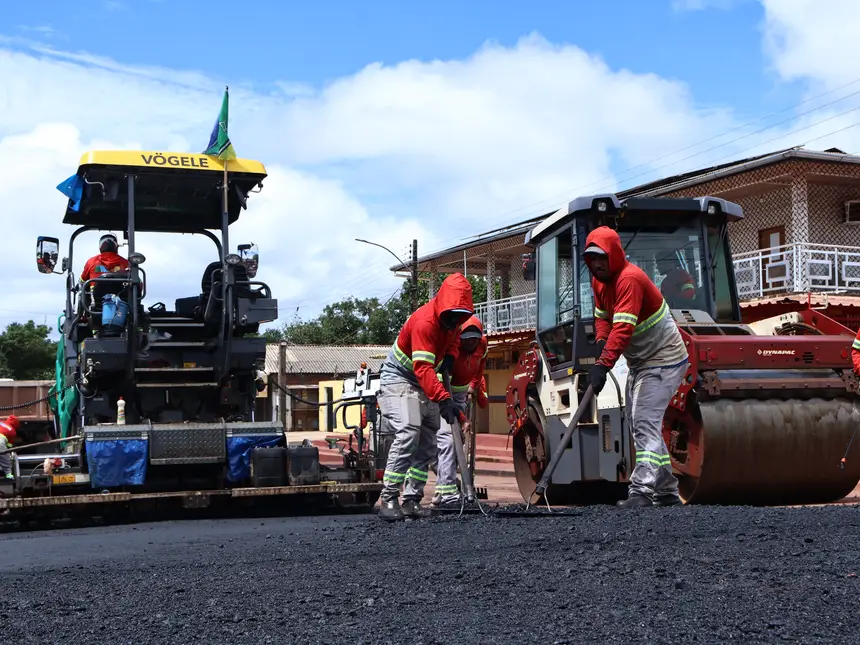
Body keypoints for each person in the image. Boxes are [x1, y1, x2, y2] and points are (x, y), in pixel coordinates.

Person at [583, 226, 689, 509]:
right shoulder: (598, 282)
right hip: (641, 362)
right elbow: (603, 319)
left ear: (615, 256)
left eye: (602, 258)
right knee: (641, 423)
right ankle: (667, 491)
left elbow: (624, 329)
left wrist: (603, 365)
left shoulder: (629, 279)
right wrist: (600, 347)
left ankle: (641, 491)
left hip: (664, 359)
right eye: (592, 259)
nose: (597, 264)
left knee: (644, 422)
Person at [377, 273, 474, 521]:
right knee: (409, 429)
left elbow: (451, 342)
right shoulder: (425, 322)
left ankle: (411, 499)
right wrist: (444, 400)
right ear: (443, 305)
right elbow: (422, 368)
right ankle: (389, 498)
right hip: (399, 378)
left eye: (460, 318)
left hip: (423, 380)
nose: (456, 322)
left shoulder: (455, 319)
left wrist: (451, 356)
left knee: (429, 437)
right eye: (453, 317)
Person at [431, 316, 489, 511]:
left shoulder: (482, 345)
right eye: (467, 339)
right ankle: (448, 492)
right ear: (459, 337)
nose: (471, 342)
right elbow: (436, 377)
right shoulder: (450, 347)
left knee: (459, 444)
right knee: (448, 440)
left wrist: (474, 386)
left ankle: (442, 489)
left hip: (461, 395)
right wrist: (445, 400)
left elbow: (480, 367)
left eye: (475, 338)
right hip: (441, 393)